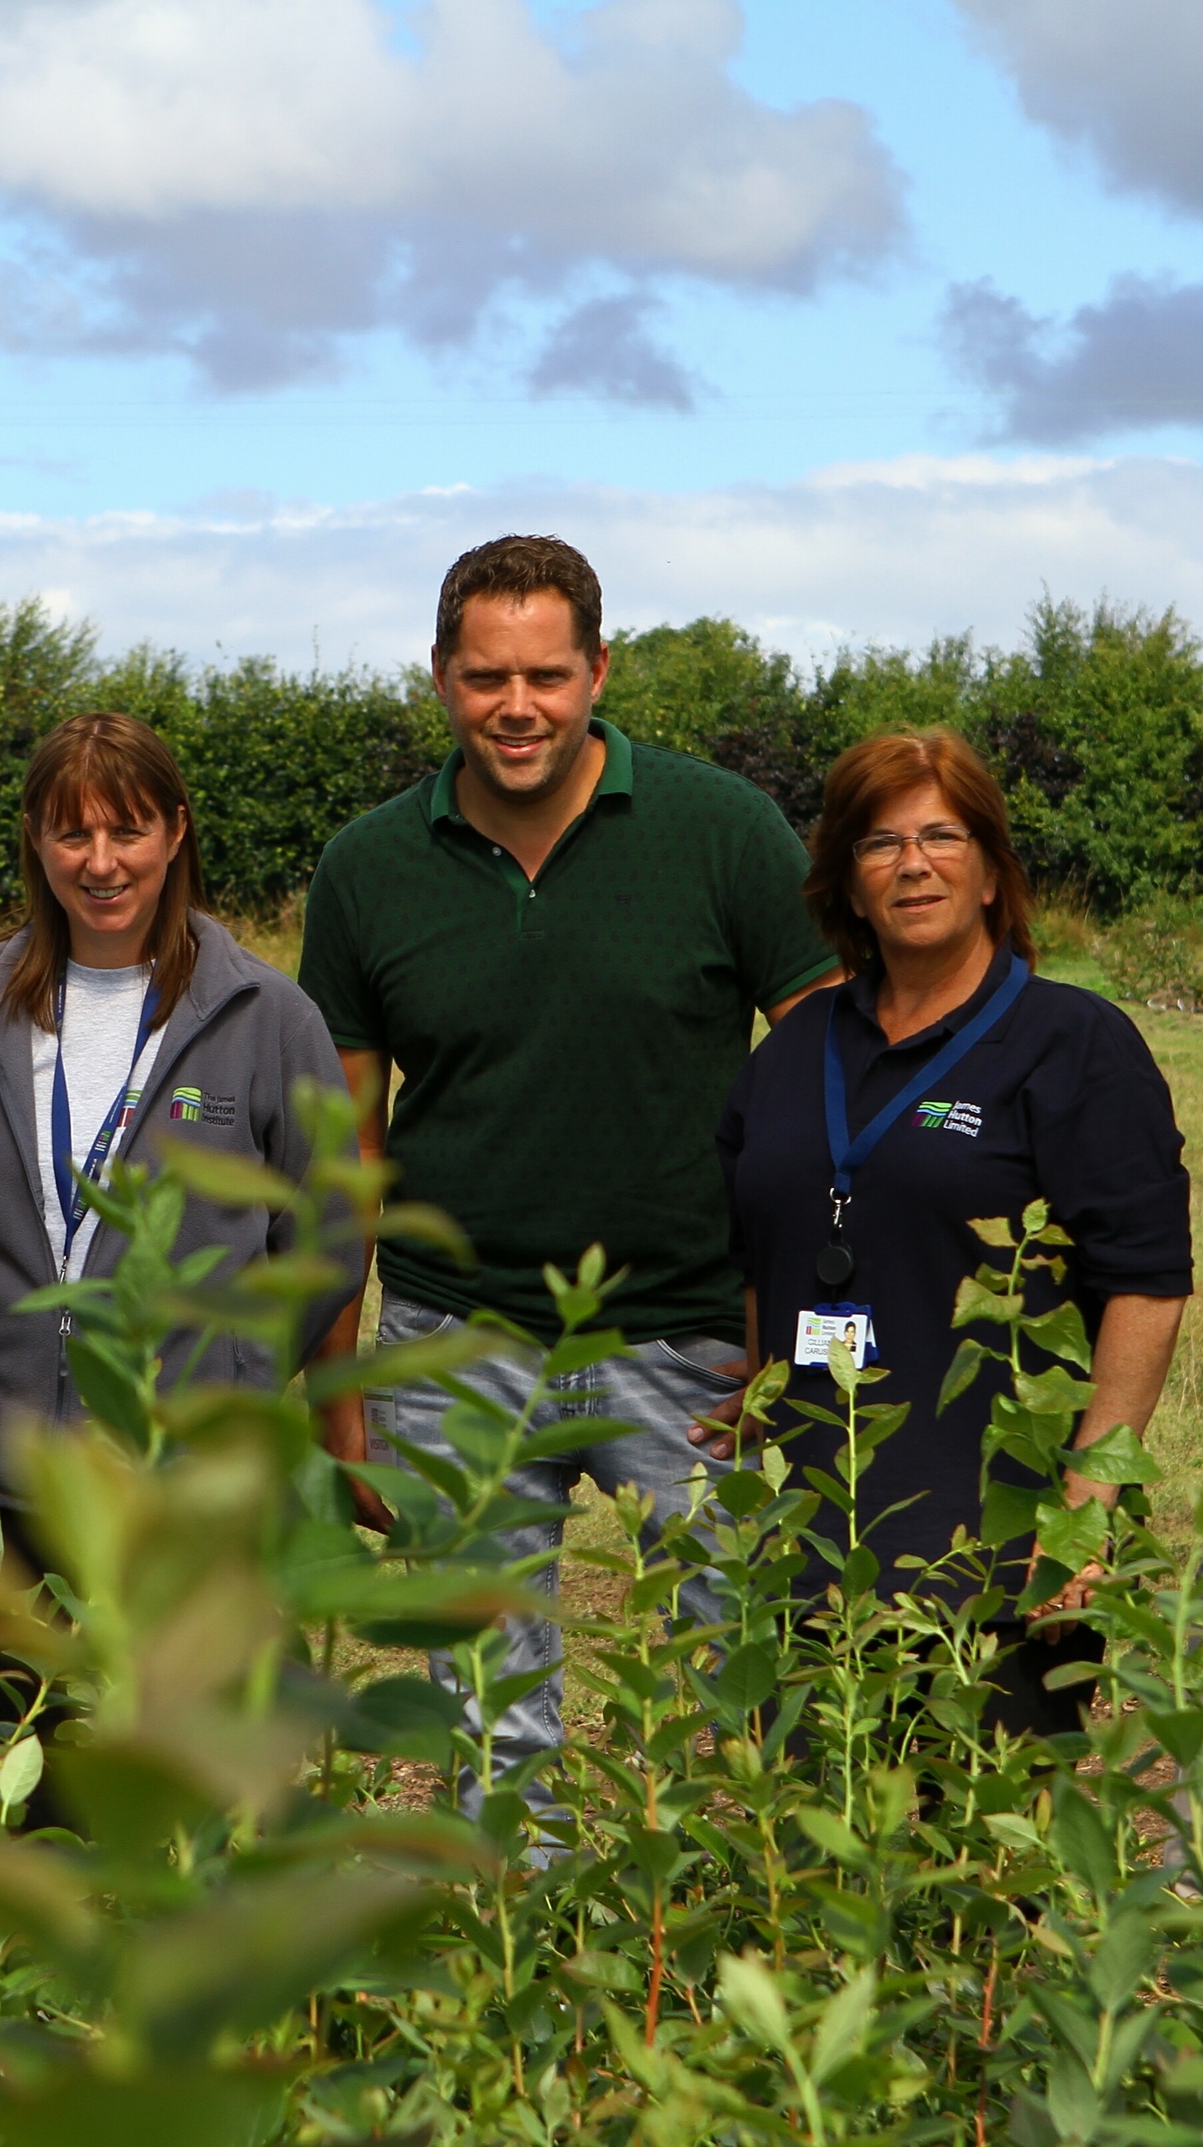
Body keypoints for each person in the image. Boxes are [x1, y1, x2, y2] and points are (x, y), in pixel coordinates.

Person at [298, 534, 841, 1808]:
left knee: (748, 1678)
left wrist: (786, 1325)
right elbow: (345, 1148)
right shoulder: (369, 868)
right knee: (489, 1717)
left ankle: (757, 1958)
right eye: (487, 677)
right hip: (453, 1337)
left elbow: (825, 1087)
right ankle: (515, 1971)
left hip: (693, 1340)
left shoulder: (724, 833)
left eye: (547, 674)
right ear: (440, 679)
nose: (518, 707)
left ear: (599, 670)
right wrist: (337, 1372)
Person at [703, 732, 1193, 1735]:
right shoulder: (796, 1047)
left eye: (940, 835)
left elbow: (1148, 1282)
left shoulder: (1073, 1044)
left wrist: (1088, 1502)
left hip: (997, 1547)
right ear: (846, 880)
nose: (911, 863)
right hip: (812, 1541)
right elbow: (755, 1235)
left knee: (982, 1862)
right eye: (878, 843)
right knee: (814, 1854)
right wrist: (755, 1383)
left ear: (989, 871)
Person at [0, 711, 360, 1545]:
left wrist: (235, 1377)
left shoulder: (268, 1017)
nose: (101, 862)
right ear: (35, 840)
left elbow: (328, 1240)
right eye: (72, 832)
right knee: (8, 1687)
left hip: (184, 1485)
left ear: (176, 830)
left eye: (128, 829)